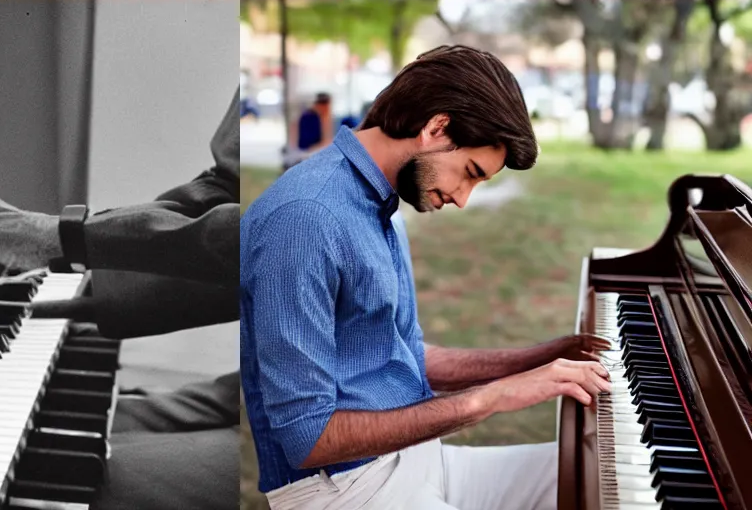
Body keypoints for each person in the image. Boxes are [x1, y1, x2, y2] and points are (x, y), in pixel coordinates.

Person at [242, 46, 609, 510]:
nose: (463, 199)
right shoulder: (306, 219)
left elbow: (407, 354)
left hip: (416, 462)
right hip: (343, 491)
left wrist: (543, 357)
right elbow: (307, 437)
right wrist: (488, 400)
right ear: (436, 129)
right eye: (470, 174)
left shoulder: (379, 202)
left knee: (593, 480)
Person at [0, 87, 239, 510]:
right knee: (51, 429)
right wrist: (94, 278)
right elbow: (227, 189)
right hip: (260, 382)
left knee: (65, 484)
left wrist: (62, 237)